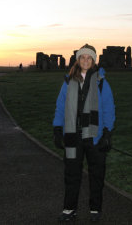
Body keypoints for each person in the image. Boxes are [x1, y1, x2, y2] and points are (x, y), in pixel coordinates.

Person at [52, 44, 115, 222]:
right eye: (83, 57)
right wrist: (57, 129)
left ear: (94, 60)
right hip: (73, 134)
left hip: (95, 135)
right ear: (78, 60)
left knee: (97, 174)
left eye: (89, 58)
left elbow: (109, 109)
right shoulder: (68, 81)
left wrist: (107, 133)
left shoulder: (101, 82)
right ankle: (69, 208)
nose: (86, 60)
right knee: (72, 174)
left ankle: (95, 209)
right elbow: (60, 107)